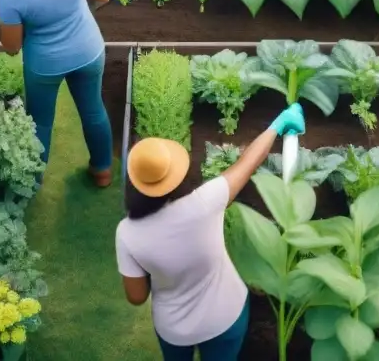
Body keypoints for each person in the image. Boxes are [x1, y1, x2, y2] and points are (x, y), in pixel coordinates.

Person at [115, 103, 307, 361]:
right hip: (225, 316)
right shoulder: (206, 202)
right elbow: (248, 161)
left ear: (134, 184)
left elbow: (137, 297)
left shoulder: (127, 233)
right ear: (177, 177)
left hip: (174, 329)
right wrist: (279, 123)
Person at [0, 0, 114, 188]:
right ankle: (102, 171)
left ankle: (34, 179)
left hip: (44, 64)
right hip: (89, 49)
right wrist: (75, 14)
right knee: (93, 110)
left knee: (40, 122)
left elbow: (11, 47)